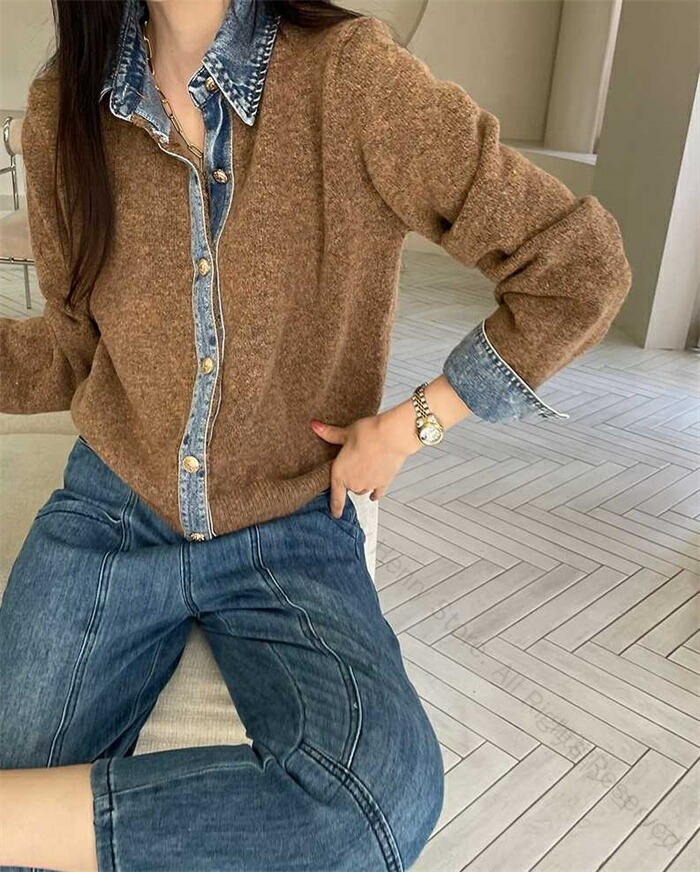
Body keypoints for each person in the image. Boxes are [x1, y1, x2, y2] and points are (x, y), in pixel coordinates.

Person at [0, 0, 633, 869]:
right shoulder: (63, 111)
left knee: (376, 802)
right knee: (23, 784)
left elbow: (579, 266)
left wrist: (416, 422)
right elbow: (78, 356)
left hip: (291, 523)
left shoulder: (352, 79)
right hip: (113, 510)